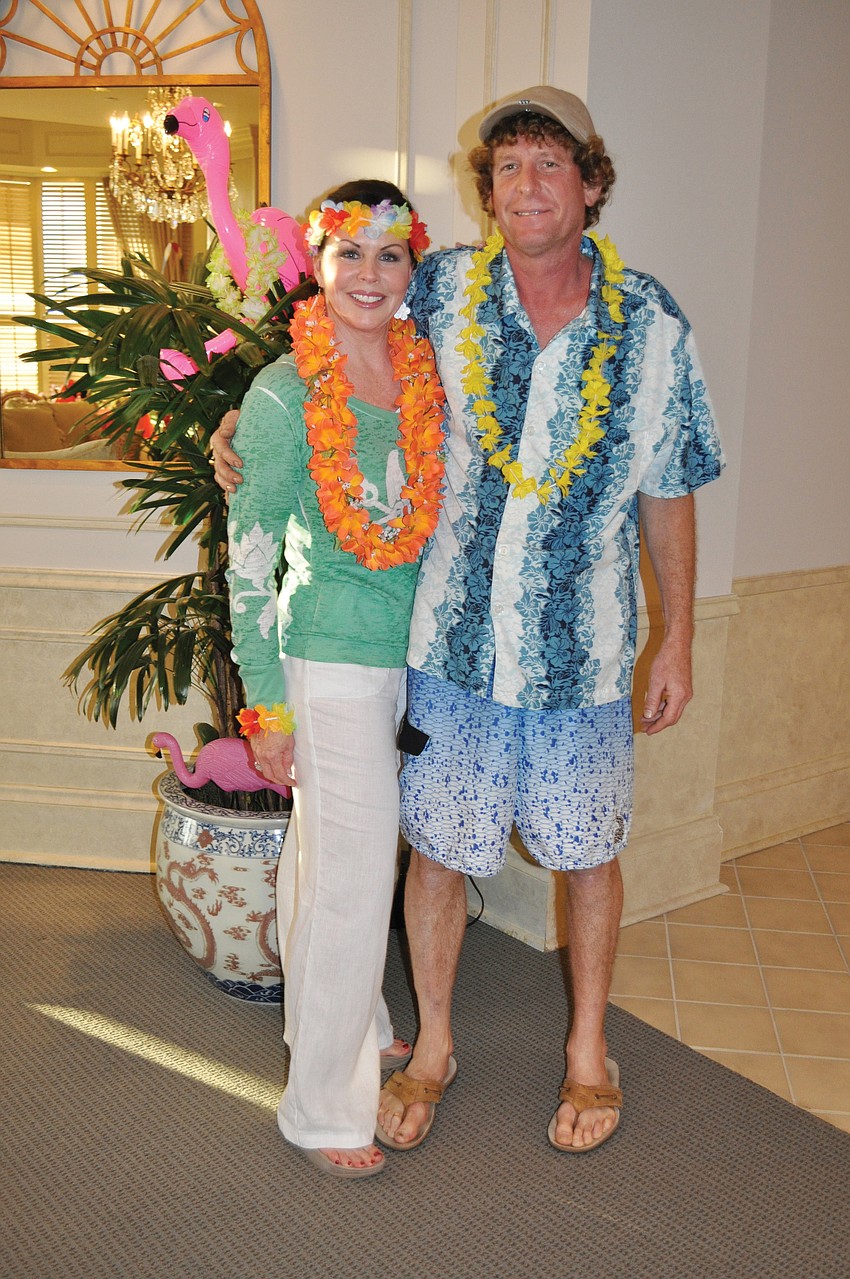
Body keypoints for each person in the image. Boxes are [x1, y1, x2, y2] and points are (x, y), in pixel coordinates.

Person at [213, 87, 724, 1155]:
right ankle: (433, 1043)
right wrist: (242, 421)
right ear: (485, 193)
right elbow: (328, 349)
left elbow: (667, 485)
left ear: (591, 183)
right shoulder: (436, 288)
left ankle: (589, 1052)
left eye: (550, 165)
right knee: (435, 851)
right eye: (506, 169)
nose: (526, 186)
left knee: (588, 851)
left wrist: (675, 634)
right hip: (442, 646)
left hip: (580, 649)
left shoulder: (652, 323)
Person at [224, 178, 445, 1178]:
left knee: (331, 863)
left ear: (412, 267)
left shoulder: (422, 369)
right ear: (316, 262)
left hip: (414, 657)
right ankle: (320, 1105)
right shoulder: (280, 390)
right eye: (349, 252)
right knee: (354, 880)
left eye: (389, 255)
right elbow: (251, 553)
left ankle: (355, 1017)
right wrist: (262, 700)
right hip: (329, 657)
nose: (369, 274)